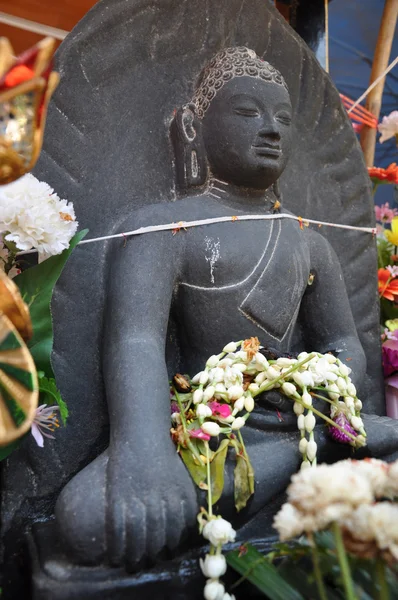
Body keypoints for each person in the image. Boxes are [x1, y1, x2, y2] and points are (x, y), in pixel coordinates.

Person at [55, 47, 397, 571]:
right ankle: (316, 461)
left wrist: (317, 387)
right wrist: (142, 449)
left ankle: (316, 452)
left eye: (283, 119)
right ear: (193, 126)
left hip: (304, 413)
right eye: (247, 113)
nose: (271, 130)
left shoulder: (308, 242)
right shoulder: (163, 230)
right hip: (208, 432)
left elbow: (344, 342)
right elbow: (136, 341)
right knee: (83, 518)